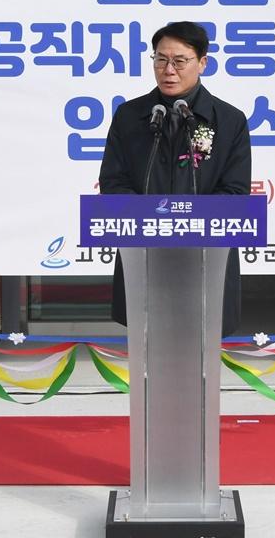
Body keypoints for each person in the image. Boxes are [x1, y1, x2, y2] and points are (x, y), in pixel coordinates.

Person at [99, 21, 252, 336]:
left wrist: (187, 222)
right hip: (143, 257)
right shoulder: (130, 117)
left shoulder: (229, 120)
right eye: (160, 59)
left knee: (202, 349)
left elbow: (235, 193)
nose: (168, 70)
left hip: (206, 260)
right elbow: (113, 183)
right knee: (148, 348)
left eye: (180, 61)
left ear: (202, 63)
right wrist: (152, 222)